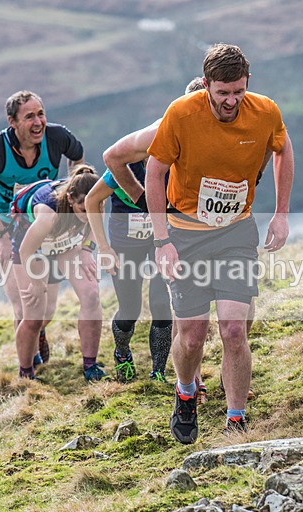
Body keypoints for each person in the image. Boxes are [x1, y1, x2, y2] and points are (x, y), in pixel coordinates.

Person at [146, 44, 294, 443]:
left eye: (238, 92)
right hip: (186, 234)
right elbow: (155, 171)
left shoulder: (265, 111)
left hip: (235, 232)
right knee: (192, 336)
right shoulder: (181, 113)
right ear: (207, 84)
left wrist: (281, 213)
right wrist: (162, 241)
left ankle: (236, 419)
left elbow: (283, 148)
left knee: (233, 329)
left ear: (248, 83)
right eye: (223, 93)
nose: (231, 101)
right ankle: (186, 392)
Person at [85, 79, 209, 384]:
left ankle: (158, 371)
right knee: (130, 308)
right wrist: (104, 248)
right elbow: (92, 200)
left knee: (161, 304)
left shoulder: (178, 163)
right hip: (125, 243)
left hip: (159, 243)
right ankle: (122, 352)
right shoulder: (127, 164)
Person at [0, 91, 85, 368]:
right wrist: (0, 235)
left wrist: (70, 192)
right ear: (12, 122)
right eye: (29, 117)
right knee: (24, 307)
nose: (38, 122)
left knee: (47, 310)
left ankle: (39, 331)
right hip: (9, 227)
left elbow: (78, 158)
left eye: (41, 114)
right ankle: (29, 367)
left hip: (47, 227)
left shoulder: (57, 136)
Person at [11, 164, 105, 381]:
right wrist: (36, 283)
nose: (89, 214)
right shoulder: (48, 214)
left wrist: (87, 249)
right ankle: (26, 373)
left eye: (93, 208)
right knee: (35, 315)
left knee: (91, 295)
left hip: (66, 243)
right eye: (83, 209)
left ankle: (90, 366)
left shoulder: (96, 199)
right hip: (32, 249)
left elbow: (95, 222)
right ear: (70, 199)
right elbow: (26, 251)